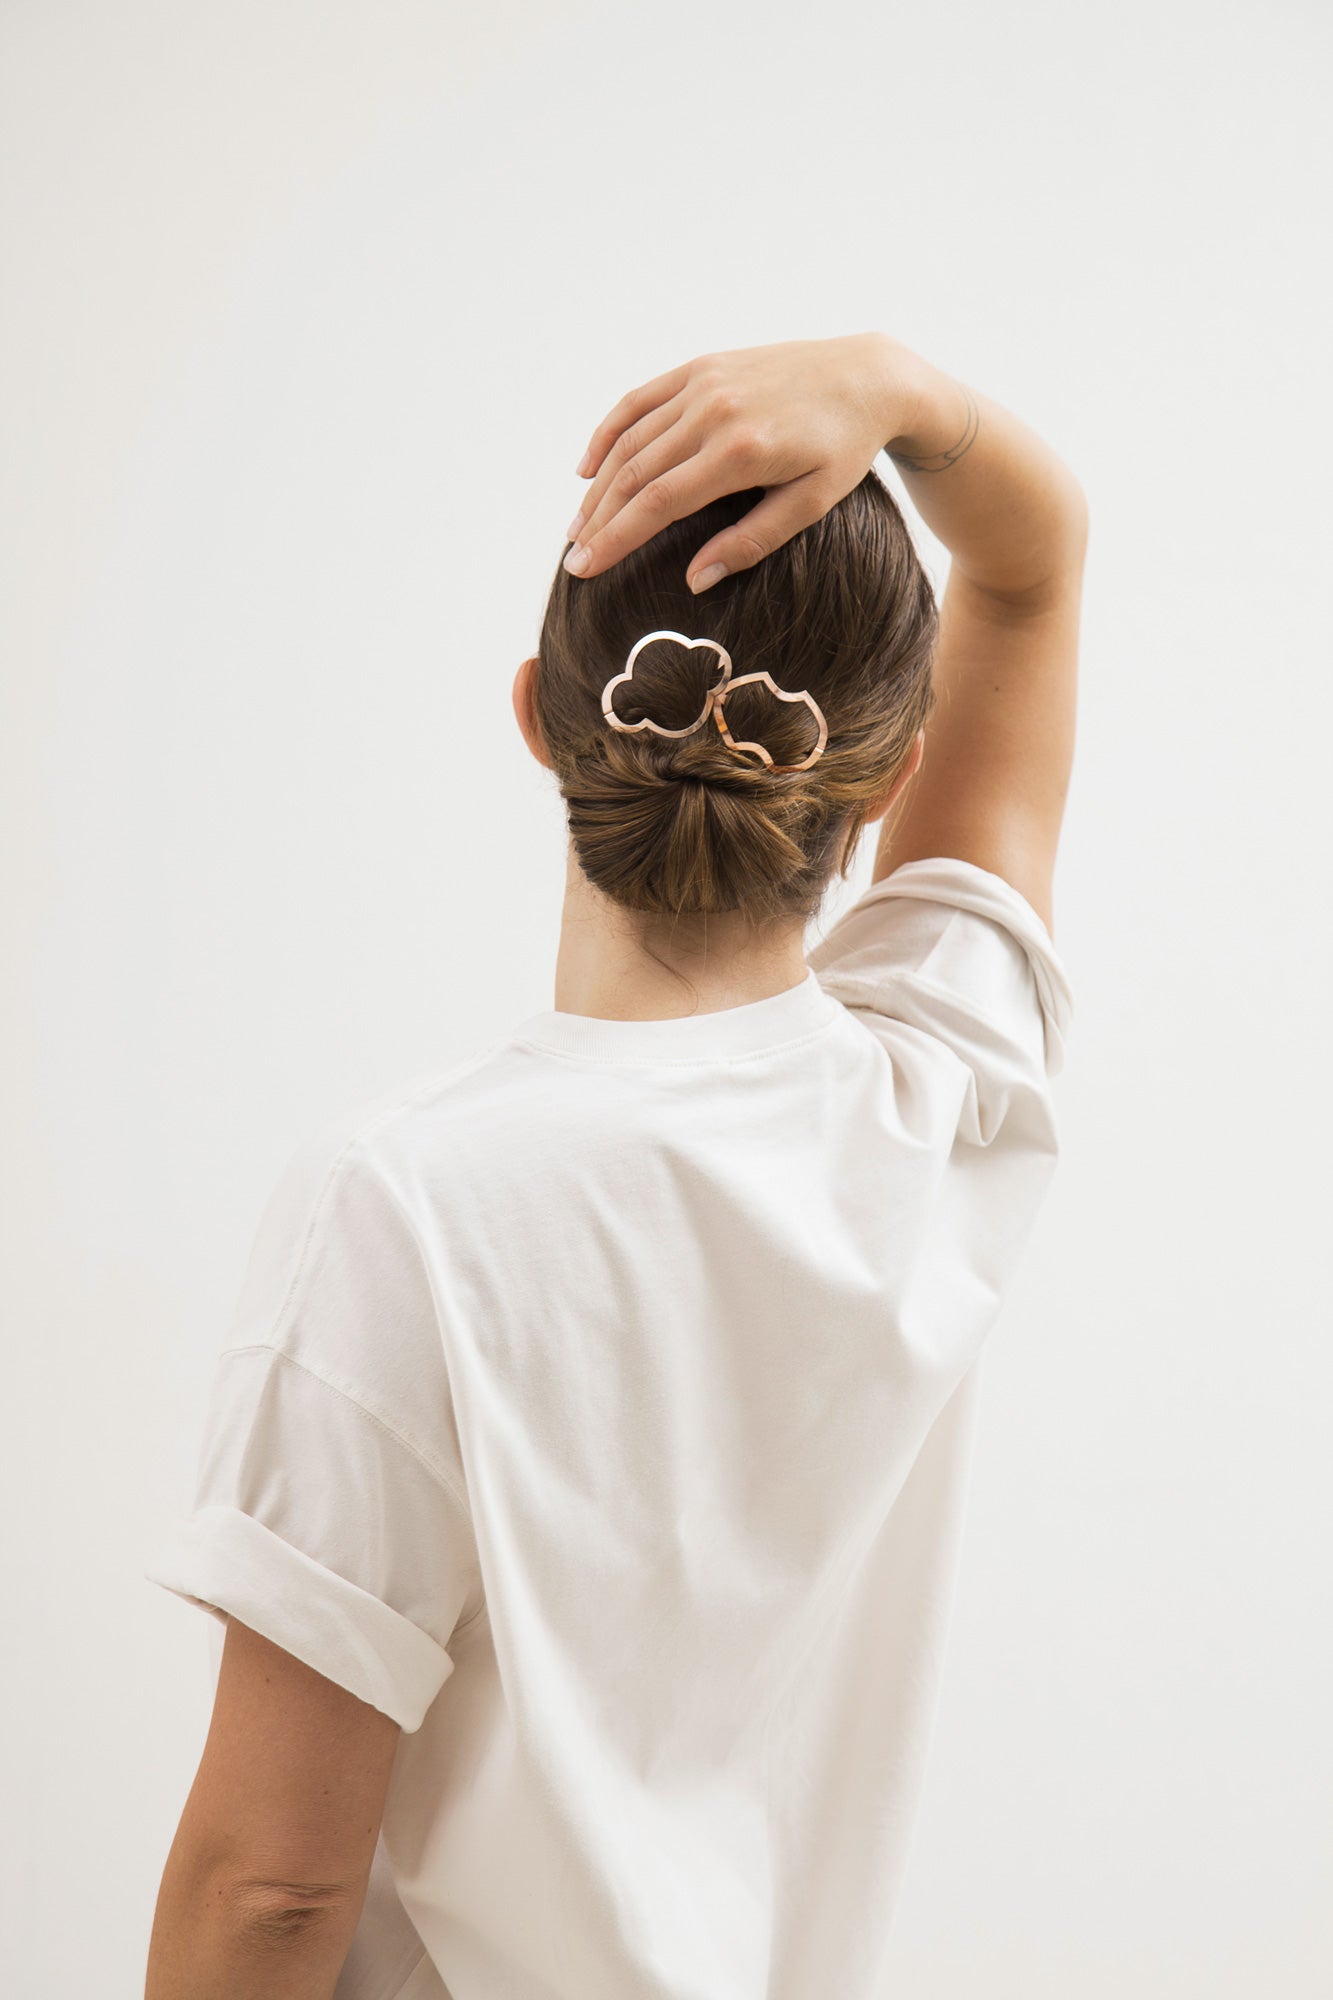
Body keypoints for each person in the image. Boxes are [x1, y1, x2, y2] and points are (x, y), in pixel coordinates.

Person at [143, 330, 1088, 2000]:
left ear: (534, 716)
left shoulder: (407, 1206)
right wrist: (896, 388)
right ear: (883, 775)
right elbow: (1030, 568)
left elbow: (270, 1893)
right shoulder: (941, 1095)